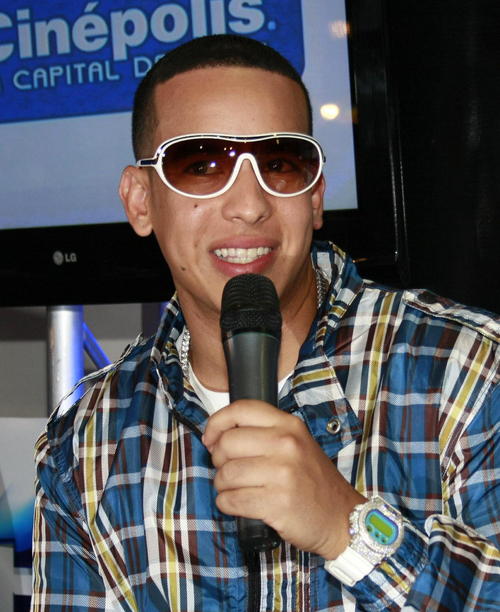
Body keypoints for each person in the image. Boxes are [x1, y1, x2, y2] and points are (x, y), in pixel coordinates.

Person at [31, 34, 499, 611]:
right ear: (140, 200)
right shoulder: (88, 440)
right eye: (201, 165)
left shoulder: (466, 368)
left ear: (315, 196)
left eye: (280, 164)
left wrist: (349, 528)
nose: (249, 205)